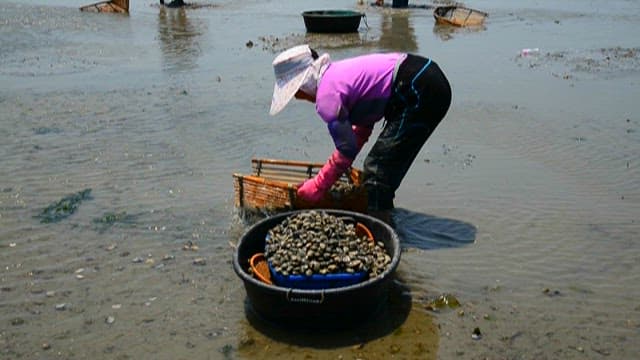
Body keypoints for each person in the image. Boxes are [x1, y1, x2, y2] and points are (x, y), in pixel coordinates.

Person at [269, 45, 451, 224]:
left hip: (417, 88)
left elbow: (346, 149)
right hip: (425, 75)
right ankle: (383, 217)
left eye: (296, 93)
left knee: (377, 171)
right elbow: (362, 131)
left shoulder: (327, 96)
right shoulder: (336, 74)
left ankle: (382, 233)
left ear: (301, 86)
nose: (298, 97)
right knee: (381, 168)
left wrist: (318, 185)